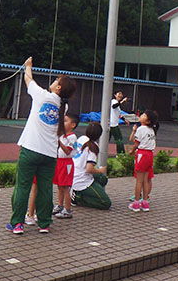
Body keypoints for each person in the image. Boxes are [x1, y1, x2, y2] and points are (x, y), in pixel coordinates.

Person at [7, 57, 76, 235]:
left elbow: (28, 80)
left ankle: (17, 223)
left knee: (23, 187)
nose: (54, 81)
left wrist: (28, 66)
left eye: (57, 81)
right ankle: (44, 223)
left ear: (58, 88)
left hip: (30, 149)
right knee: (45, 189)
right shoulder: (63, 106)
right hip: (50, 154)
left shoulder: (42, 96)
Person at [71, 121, 111, 209]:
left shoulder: (82, 138)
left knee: (103, 179)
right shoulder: (93, 147)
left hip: (73, 174)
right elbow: (89, 169)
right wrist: (100, 170)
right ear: (99, 135)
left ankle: (82, 192)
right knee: (106, 203)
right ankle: (78, 198)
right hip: (82, 180)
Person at [128, 110, 159, 212]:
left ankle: (136, 203)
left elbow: (136, 143)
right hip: (150, 155)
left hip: (142, 154)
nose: (141, 116)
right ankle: (145, 203)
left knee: (139, 181)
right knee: (146, 180)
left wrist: (132, 151)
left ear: (148, 121)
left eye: (144, 115)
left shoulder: (141, 129)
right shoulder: (151, 130)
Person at [52, 112, 79, 219]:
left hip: (66, 163)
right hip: (59, 162)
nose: (62, 123)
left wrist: (59, 142)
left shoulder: (72, 137)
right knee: (60, 185)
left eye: (65, 121)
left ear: (73, 125)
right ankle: (60, 205)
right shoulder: (63, 135)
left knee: (65, 187)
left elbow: (68, 151)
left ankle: (67, 210)